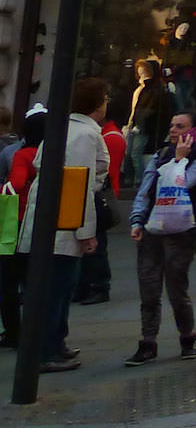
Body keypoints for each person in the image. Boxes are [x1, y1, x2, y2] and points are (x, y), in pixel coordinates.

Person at [19, 82, 110, 371]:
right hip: (63, 224)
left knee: (58, 286)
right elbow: (78, 186)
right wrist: (85, 232)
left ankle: (55, 342)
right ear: (97, 104)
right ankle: (47, 351)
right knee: (57, 288)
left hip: (49, 220)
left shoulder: (64, 129)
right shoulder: (84, 135)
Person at [126, 109, 196, 365]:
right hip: (153, 227)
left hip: (182, 231)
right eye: (172, 125)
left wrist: (180, 159)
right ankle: (147, 341)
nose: (173, 130)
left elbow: (177, 185)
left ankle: (187, 337)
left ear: (194, 132)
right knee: (149, 287)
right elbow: (146, 189)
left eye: (180, 126)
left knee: (177, 287)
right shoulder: (159, 155)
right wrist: (137, 219)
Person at [74, 93, 125, 306]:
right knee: (91, 244)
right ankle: (88, 285)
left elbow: (105, 170)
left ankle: (98, 286)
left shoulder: (108, 136)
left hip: (98, 194)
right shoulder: (102, 134)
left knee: (96, 244)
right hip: (95, 192)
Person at [1, 105, 44, 351]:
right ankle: (37, 331)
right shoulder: (56, 152)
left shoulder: (23, 154)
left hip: (15, 221)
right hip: (44, 223)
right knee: (35, 280)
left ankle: (14, 332)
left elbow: (15, 184)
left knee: (8, 281)